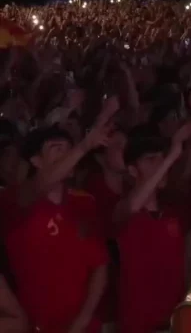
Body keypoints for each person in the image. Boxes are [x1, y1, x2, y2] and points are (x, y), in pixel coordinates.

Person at [6, 99, 116, 333]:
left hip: (85, 326)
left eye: (69, 149)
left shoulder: (84, 201)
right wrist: (83, 146)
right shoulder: (17, 199)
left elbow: (99, 266)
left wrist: (82, 322)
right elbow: (38, 186)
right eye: (57, 149)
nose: (68, 156)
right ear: (35, 161)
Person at [113, 122, 191, 333]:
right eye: (151, 160)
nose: (160, 165)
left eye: (161, 158)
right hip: (138, 325)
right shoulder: (122, 209)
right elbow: (132, 206)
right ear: (132, 170)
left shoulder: (172, 213)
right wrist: (170, 156)